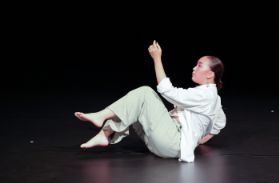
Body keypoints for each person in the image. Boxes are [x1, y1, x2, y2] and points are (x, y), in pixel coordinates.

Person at [74, 40, 226, 162]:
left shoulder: (206, 95)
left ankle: (101, 117)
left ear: (209, 74)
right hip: (162, 145)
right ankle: (105, 134)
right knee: (135, 105)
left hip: (172, 144)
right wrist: (197, 140)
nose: (194, 68)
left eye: (199, 65)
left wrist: (157, 58)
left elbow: (166, 90)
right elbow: (219, 122)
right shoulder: (214, 99)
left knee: (146, 92)